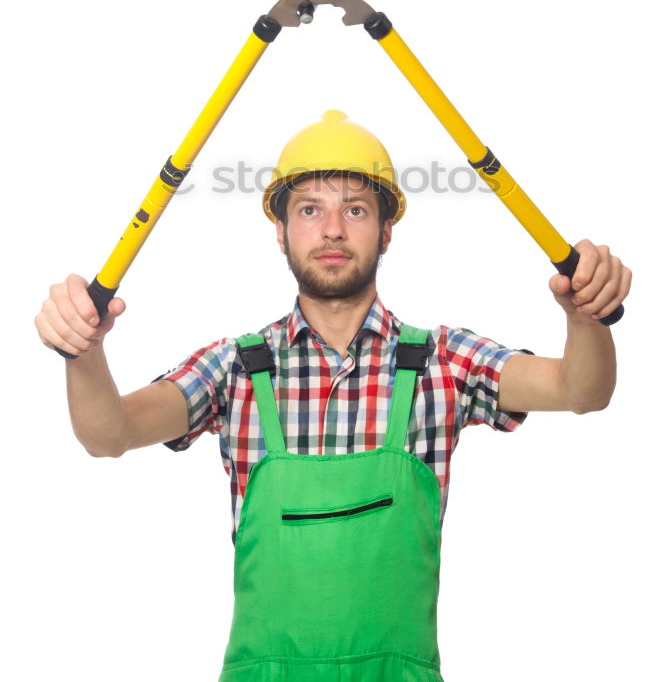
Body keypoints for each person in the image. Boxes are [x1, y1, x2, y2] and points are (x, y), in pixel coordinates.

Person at [35, 109, 631, 682]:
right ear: (280, 231)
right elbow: (107, 433)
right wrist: (83, 355)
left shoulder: (443, 362)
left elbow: (580, 389)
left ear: (387, 229)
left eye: (354, 208)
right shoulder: (235, 368)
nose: (332, 230)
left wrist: (587, 318)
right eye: (309, 209)